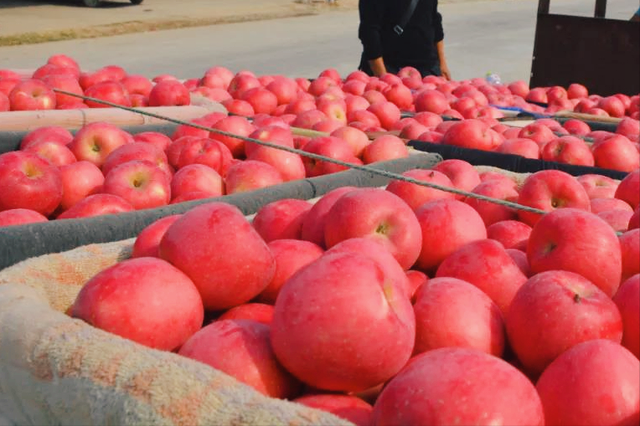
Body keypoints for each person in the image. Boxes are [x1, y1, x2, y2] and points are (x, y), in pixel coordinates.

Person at [357, 0, 451, 80]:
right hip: (391, 71)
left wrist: (442, 64)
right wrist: (383, 77)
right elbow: (369, 34)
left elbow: (435, 21)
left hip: (428, 70)